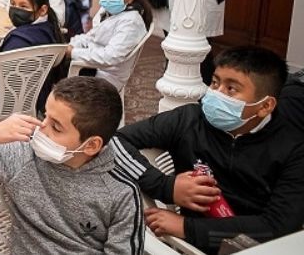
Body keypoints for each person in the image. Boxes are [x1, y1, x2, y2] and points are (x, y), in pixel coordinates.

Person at [113, 46, 304, 253]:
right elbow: (115, 141)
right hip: (188, 246)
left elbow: (278, 226)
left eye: (231, 89)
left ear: (265, 106)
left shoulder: (294, 148)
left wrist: (188, 227)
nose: (216, 94)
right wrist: (166, 186)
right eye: (215, 82)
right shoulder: (188, 120)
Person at [0, 76, 144, 254]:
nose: (42, 129)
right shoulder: (22, 154)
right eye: (44, 116)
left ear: (91, 145)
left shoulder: (121, 194)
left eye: (56, 128)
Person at [68, 0, 152, 91]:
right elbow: (90, 37)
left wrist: (74, 53)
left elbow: (110, 57)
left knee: (49, 70)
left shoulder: (131, 22)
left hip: (103, 75)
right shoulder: (105, 12)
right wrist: (72, 44)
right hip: (93, 63)